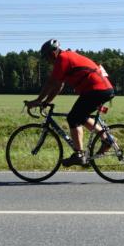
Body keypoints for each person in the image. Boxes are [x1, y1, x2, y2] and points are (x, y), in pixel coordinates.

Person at [25, 39, 115, 168]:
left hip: (97, 89)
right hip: (101, 89)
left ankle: (79, 155)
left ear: (53, 53)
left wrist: (39, 101)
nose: (48, 60)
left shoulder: (62, 58)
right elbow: (58, 85)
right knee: (81, 117)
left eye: (47, 57)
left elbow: (52, 83)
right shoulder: (67, 57)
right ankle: (107, 140)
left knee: (73, 118)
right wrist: (45, 101)